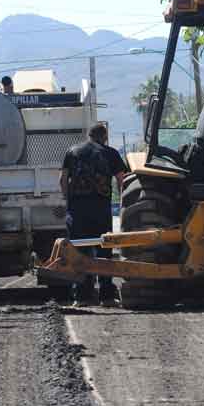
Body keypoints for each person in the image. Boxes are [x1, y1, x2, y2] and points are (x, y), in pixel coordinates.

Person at [60, 123, 128, 306]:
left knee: (79, 251)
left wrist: (68, 200)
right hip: (101, 210)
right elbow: (122, 180)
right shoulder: (111, 153)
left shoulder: (72, 151)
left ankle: (82, 297)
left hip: (77, 211)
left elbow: (63, 179)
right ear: (105, 137)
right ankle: (107, 297)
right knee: (104, 250)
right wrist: (123, 203)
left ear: (89, 135)